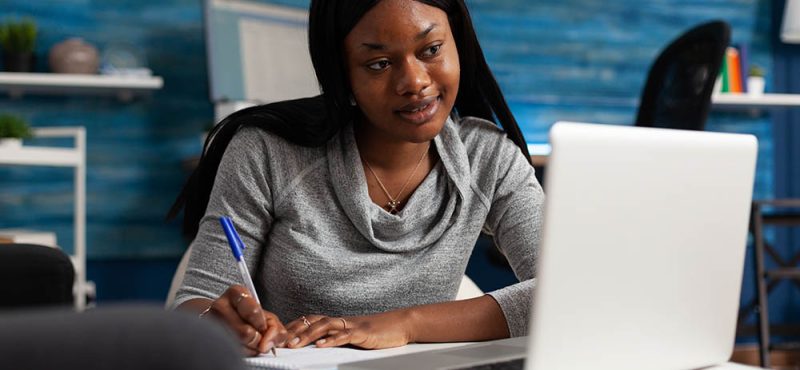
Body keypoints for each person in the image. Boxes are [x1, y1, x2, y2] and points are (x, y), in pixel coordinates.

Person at [169, 0, 544, 356]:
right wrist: (217, 322)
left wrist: (405, 324)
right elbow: (194, 302)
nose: (413, 81)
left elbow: (572, 292)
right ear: (342, 75)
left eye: (430, 50)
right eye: (379, 64)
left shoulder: (488, 157)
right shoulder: (266, 152)